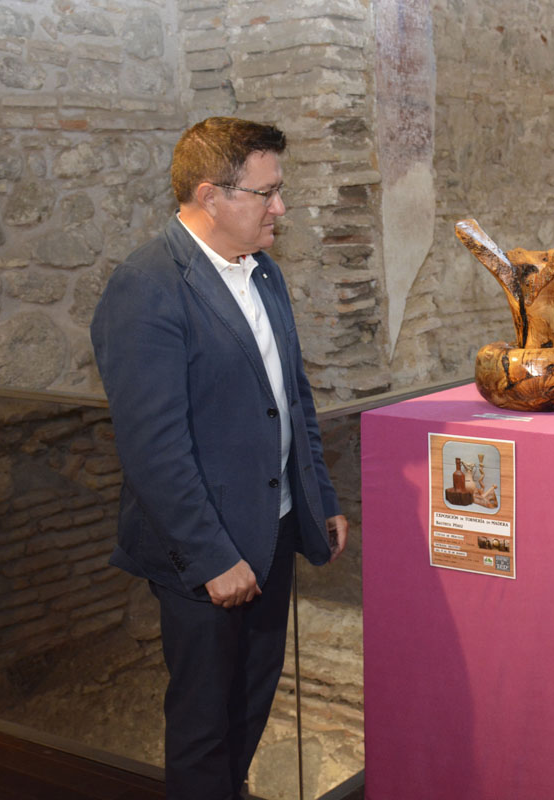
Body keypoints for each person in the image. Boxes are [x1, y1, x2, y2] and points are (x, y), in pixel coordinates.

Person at [90, 117, 348, 800]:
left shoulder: (264, 272)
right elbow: (154, 448)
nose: (280, 208)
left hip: (274, 529)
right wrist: (211, 558)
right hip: (207, 554)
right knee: (204, 727)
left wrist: (320, 498)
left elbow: (292, 397)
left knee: (250, 707)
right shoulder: (147, 286)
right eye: (267, 193)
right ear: (212, 196)